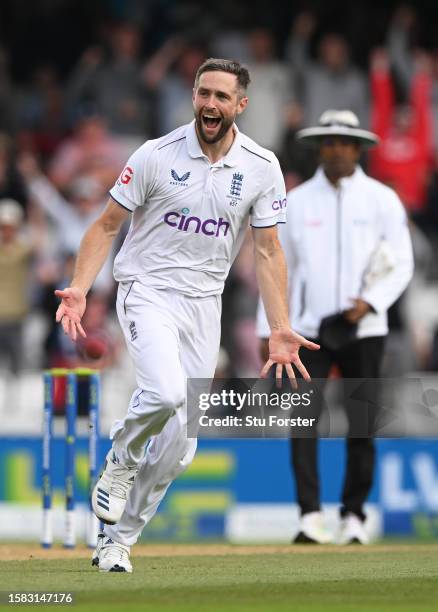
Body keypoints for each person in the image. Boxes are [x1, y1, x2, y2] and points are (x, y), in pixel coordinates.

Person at [55, 58, 319, 572]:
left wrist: (280, 327)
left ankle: (116, 542)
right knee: (165, 393)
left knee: (180, 447)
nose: (211, 105)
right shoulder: (156, 154)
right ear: (193, 97)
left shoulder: (261, 166)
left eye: (222, 96)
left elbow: (268, 251)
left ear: (241, 105)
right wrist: (81, 289)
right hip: (147, 289)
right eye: (204, 94)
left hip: (205, 304)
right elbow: (107, 226)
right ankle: (121, 460)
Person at [257, 110, 414, 544]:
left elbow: (401, 263)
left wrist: (372, 302)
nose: (336, 149)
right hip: (306, 329)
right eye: (328, 142)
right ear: (318, 147)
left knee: (363, 422)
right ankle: (309, 516)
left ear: (359, 148)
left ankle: (355, 516)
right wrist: (266, 328)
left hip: (364, 326)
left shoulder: (382, 199)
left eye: (344, 142)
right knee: (304, 420)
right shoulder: (296, 201)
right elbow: (273, 267)